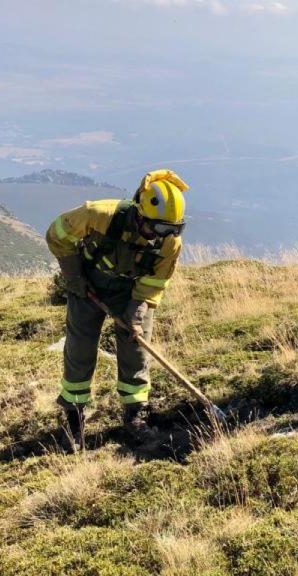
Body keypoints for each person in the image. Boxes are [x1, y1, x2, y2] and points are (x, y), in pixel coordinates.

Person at [46, 169, 188, 451]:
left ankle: (135, 414)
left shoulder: (170, 242)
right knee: (81, 346)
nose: (162, 237)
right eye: (158, 228)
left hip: (131, 292)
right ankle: (74, 417)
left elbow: (155, 281)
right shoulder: (99, 214)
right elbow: (56, 234)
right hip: (88, 285)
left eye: (172, 229)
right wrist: (74, 276)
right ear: (139, 213)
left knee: (136, 347)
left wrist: (136, 313)